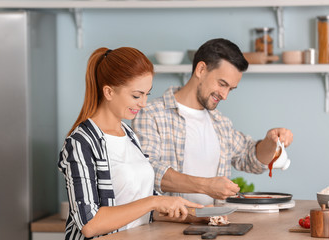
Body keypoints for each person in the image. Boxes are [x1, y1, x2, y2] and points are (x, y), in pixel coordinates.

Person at [57, 47, 204, 240]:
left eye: (147, 94)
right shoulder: (81, 142)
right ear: (109, 92)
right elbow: (89, 224)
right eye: (136, 95)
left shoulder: (129, 135)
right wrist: (153, 202)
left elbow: (143, 211)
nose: (143, 103)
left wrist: (194, 215)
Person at [132, 38, 294, 206]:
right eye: (222, 84)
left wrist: (271, 141)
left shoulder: (221, 123)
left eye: (230, 89)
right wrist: (206, 186)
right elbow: (149, 170)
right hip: (166, 227)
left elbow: (250, 158)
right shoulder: (151, 114)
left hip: (213, 225)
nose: (225, 95)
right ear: (201, 69)